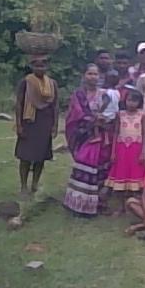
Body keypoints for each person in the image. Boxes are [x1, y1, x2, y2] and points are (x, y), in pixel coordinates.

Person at [63, 64, 113, 217]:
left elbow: (112, 113)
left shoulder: (105, 95)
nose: (93, 77)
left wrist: (104, 121)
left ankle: (98, 203)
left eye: (95, 74)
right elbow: (76, 113)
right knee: (84, 166)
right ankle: (78, 204)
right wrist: (93, 120)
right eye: (90, 73)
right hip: (84, 136)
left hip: (102, 137)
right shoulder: (78, 95)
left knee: (101, 169)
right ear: (84, 75)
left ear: (100, 76)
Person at [14, 55, 59, 195]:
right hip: (29, 122)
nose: (40, 69)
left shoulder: (52, 83)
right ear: (32, 67)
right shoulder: (26, 82)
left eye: (42, 66)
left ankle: (34, 184)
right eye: (37, 66)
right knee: (25, 157)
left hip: (45, 123)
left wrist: (55, 125)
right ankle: (23, 186)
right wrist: (19, 125)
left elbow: (55, 105)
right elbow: (19, 103)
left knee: (41, 157)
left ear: (47, 67)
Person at [104, 90, 145, 215]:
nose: (131, 103)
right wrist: (113, 152)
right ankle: (120, 206)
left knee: (135, 179)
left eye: (135, 101)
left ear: (139, 102)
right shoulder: (120, 115)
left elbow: (144, 134)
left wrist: (143, 152)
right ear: (125, 100)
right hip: (122, 149)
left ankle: (134, 206)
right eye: (129, 100)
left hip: (136, 149)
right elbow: (116, 133)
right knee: (120, 177)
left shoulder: (142, 115)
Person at [92, 70, 120, 143]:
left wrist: (100, 111)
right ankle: (106, 140)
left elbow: (105, 102)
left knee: (96, 123)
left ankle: (97, 136)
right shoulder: (117, 92)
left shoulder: (107, 92)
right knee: (106, 129)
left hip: (106, 114)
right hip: (114, 114)